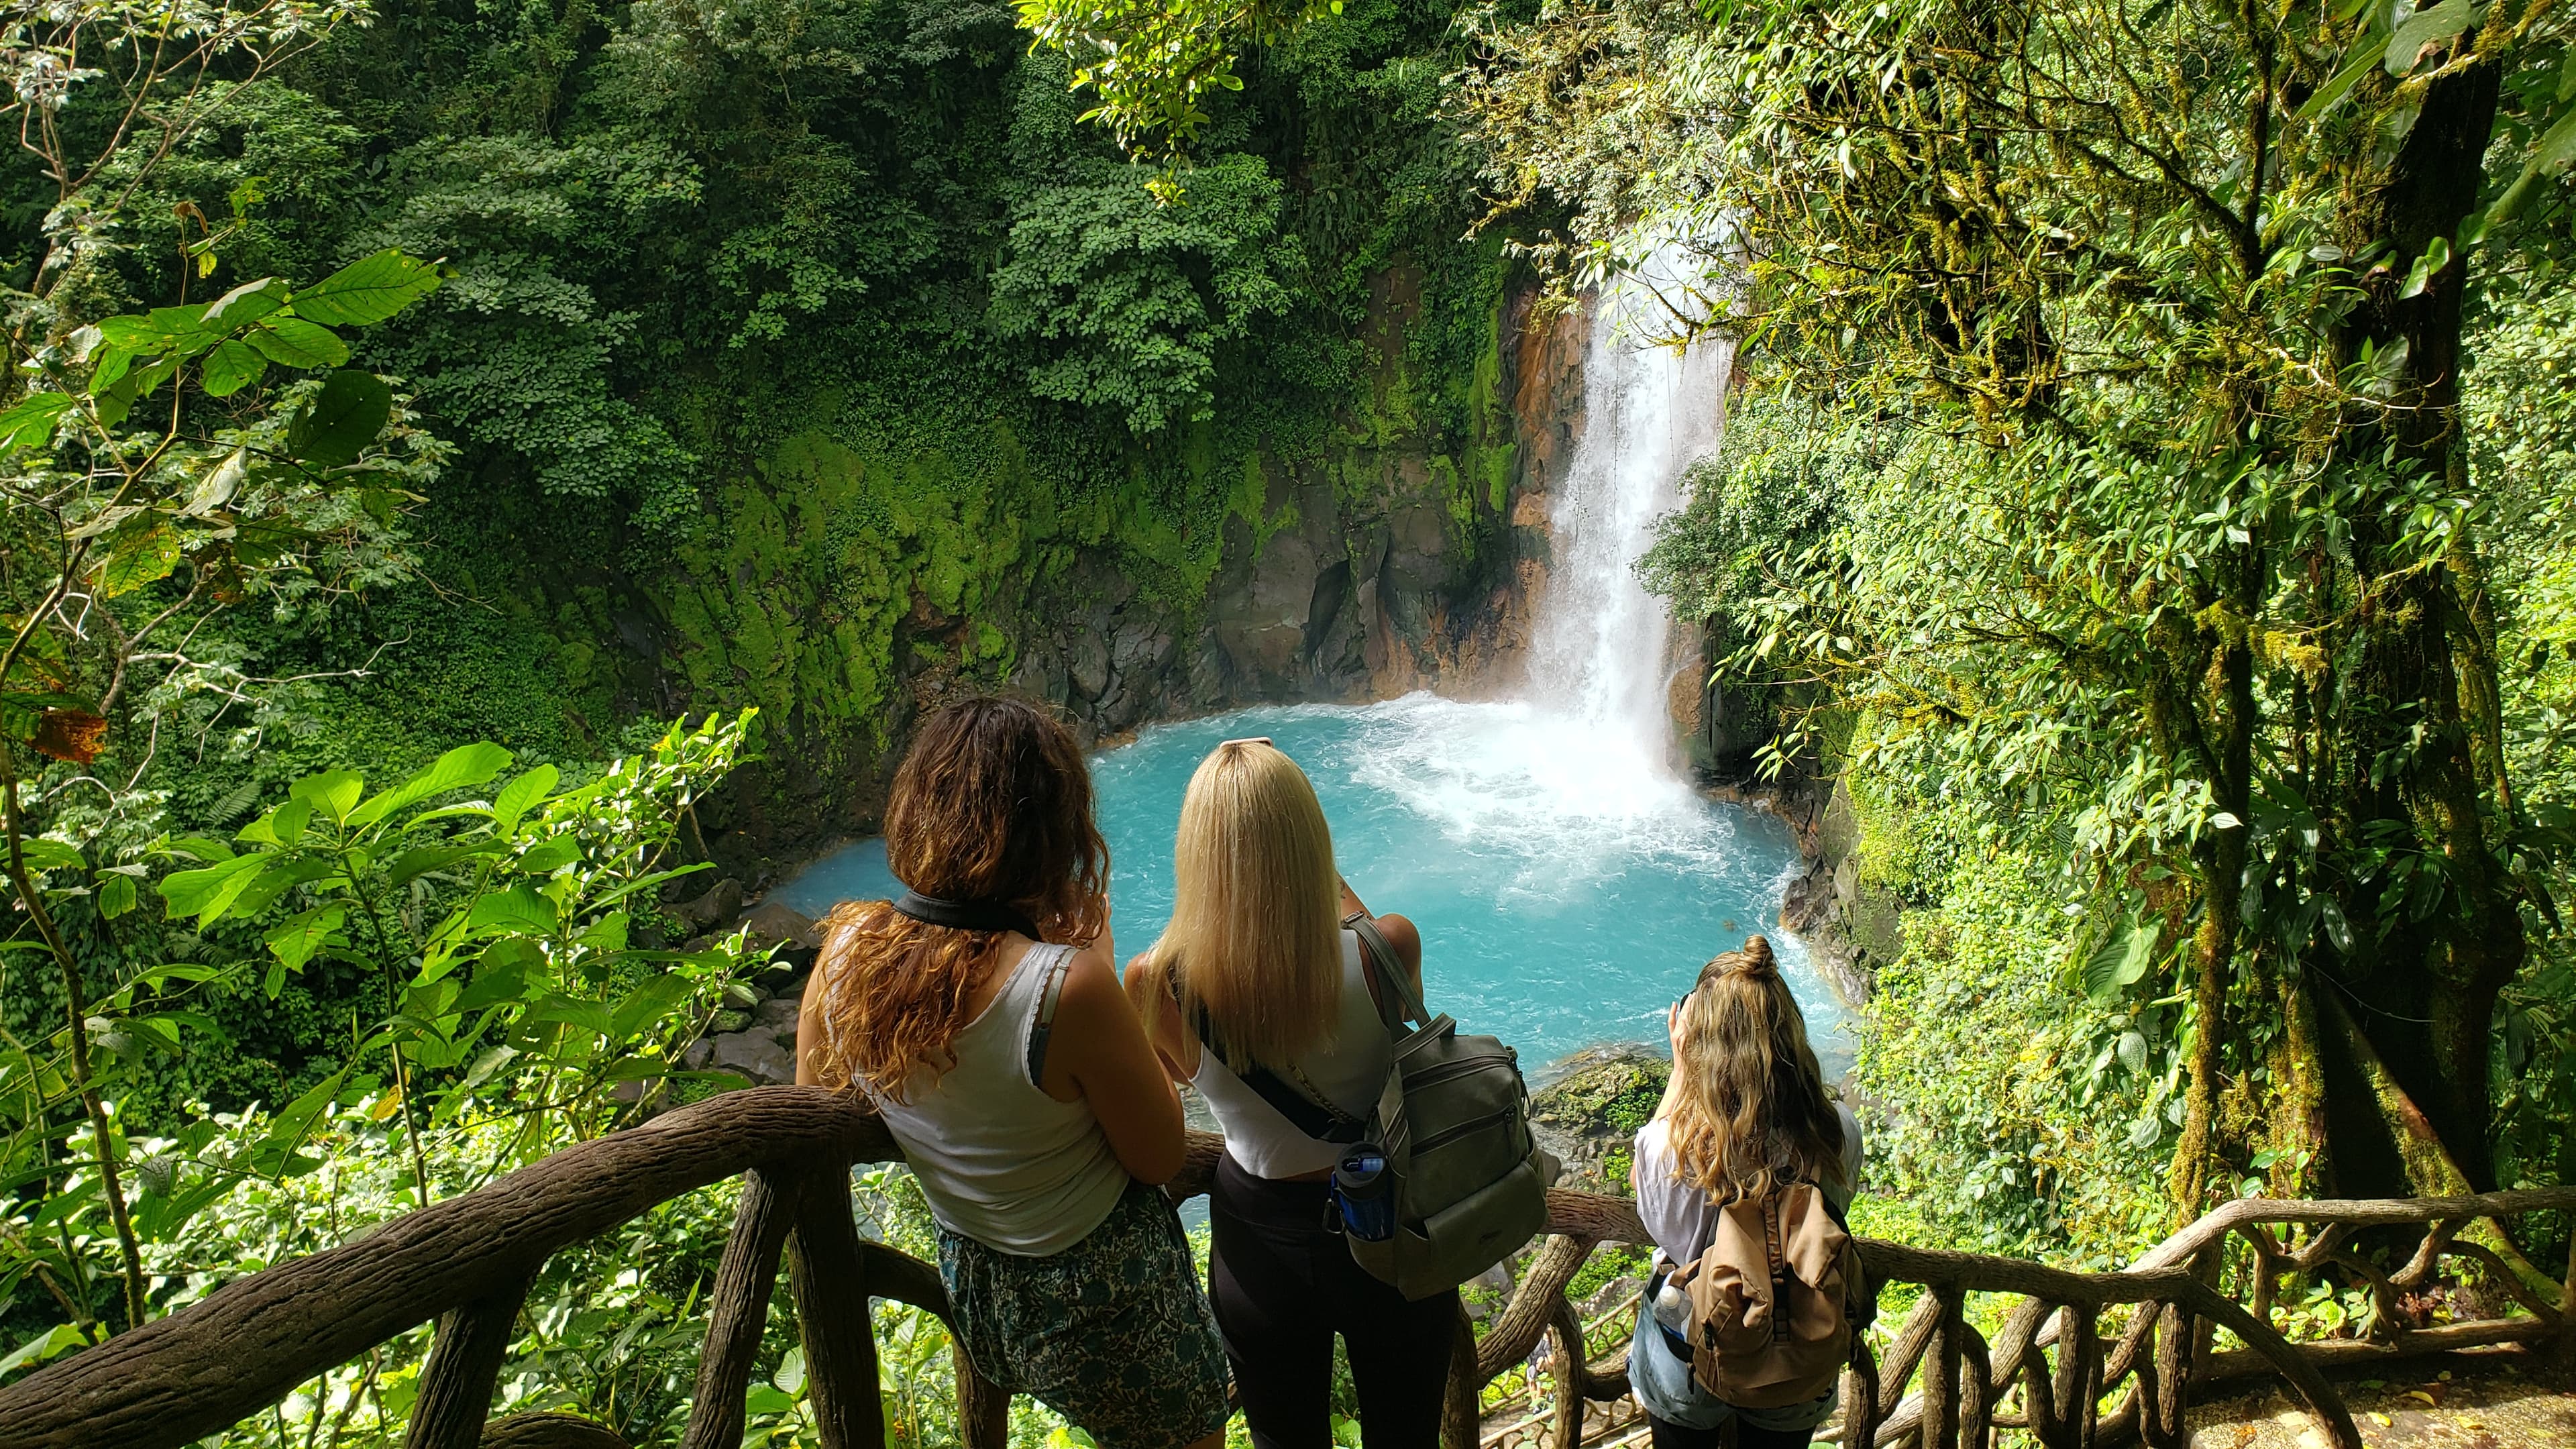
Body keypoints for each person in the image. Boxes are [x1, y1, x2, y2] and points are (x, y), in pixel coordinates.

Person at [796, 696, 1229, 1449]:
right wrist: (1095, 961)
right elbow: (1160, 1156)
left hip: (980, 1282)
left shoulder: (848, 949)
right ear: (1050, 833)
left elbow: (817, 1103)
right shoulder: (1064, 986)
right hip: (1105, 1301)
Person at [1125, 737, 1453, 1449]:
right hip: (1388, 1222)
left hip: (1259, 1241)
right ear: (1313, 841)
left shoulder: (1156, 981)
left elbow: (1176, 1080)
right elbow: (1390, 995)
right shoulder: (1388, 946)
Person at [1628, 936, 1864, 1449]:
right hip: (1799, 1352)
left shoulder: (1668, 1147)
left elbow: (1653, 1217)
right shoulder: (1838, 1131)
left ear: (1697, 1041)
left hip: (1692, 1355)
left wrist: (1678, 1073)